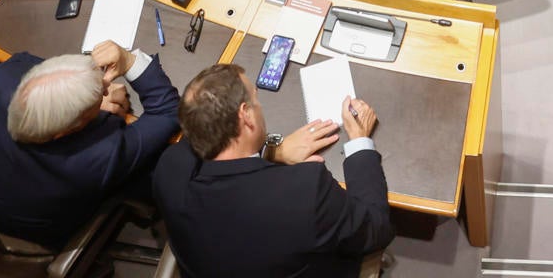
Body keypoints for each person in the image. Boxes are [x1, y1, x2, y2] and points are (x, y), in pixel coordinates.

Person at [153, 63, 392, 277]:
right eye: (256, 100)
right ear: (246, 116)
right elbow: (377, 226)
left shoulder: (169, 169)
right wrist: (359, 139)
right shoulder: (306, 192)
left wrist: (272, 152)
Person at [0, 42, 178, 250]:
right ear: (69, 129)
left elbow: (39, 70)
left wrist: (82, 96)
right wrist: (128, 61)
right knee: (163, 162)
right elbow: (167, 112)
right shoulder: (96, 157)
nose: (106, 85)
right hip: (33, 232)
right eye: (102, 92)